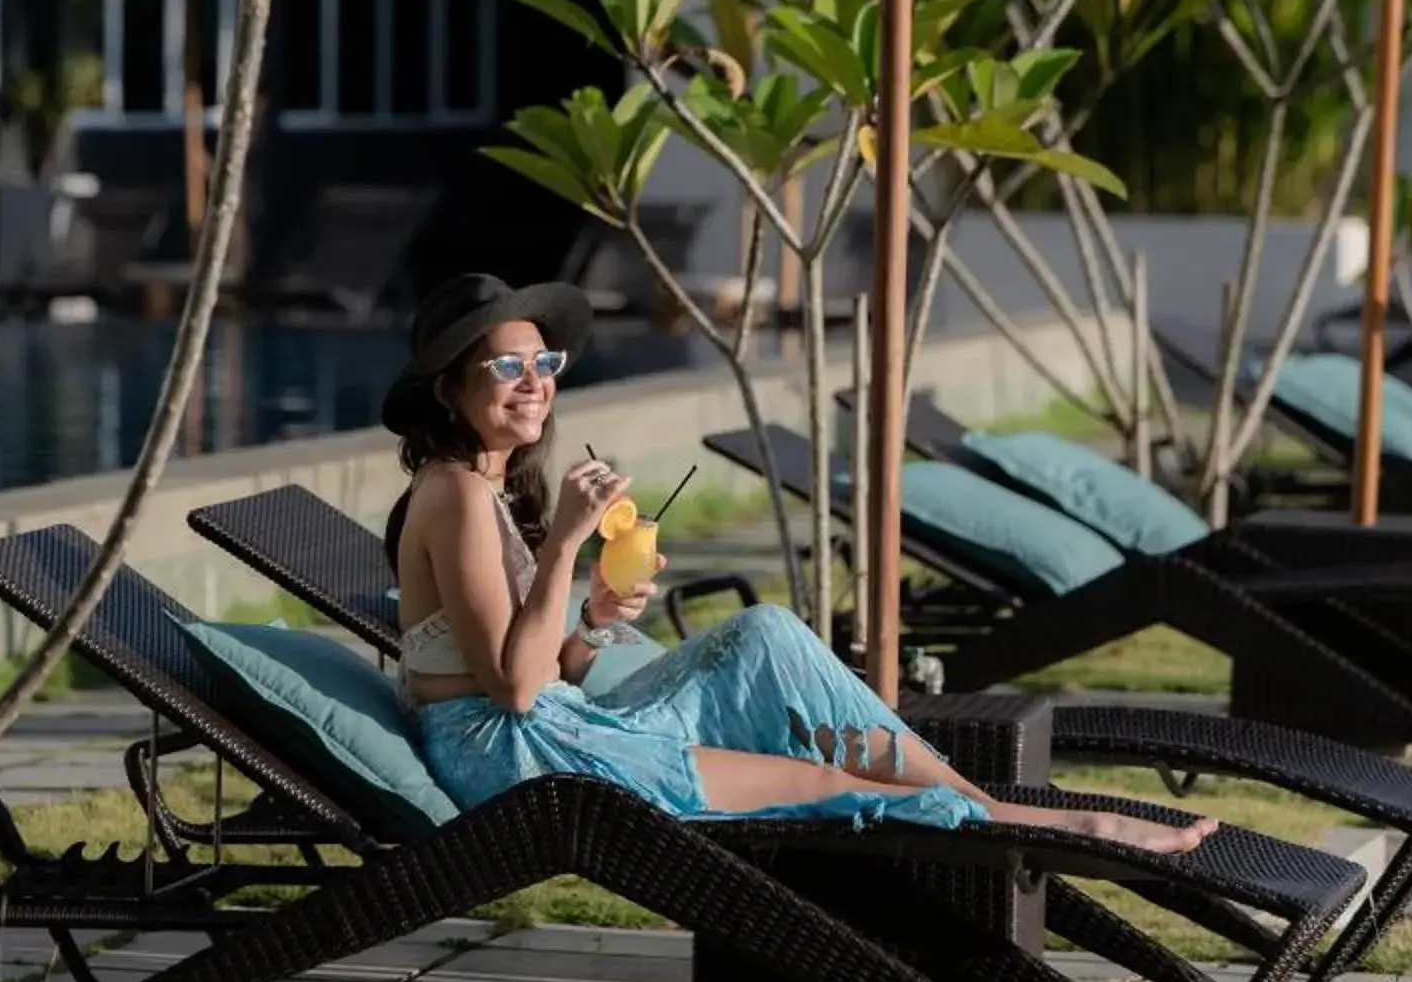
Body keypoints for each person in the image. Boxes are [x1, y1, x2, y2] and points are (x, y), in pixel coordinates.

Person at [384, 271, 1215, 851]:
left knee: (763, 637)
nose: (533, 381)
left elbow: (543, 668)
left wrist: (596, 618)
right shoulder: (453, 495)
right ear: (450, 388)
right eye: (506, 366)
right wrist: (565, 541)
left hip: (544, 731)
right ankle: (1047, 824)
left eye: (544, 362)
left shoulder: (479, 490)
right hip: (516, 761)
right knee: (818, 784)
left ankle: (987, 810)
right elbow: (517, 690)